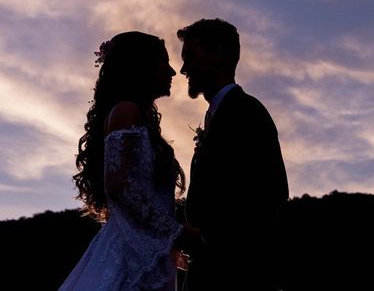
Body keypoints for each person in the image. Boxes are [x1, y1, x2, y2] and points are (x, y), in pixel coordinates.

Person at [59, 31, 197, 291]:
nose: (171, 72)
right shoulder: (126, 111)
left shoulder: (137, 116)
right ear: (142, 67)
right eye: (163, 63)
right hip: (131, 255)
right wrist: (176, 231)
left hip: (145, 245)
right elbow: (120, 187)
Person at [176, 18, 289, 290]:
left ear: (216, 55)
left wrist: (207, 239)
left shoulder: (247, 112)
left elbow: (273, 192)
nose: (183, 69)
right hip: (210, 269)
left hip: (236, 273)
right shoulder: (218, 115)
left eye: (191, 57)